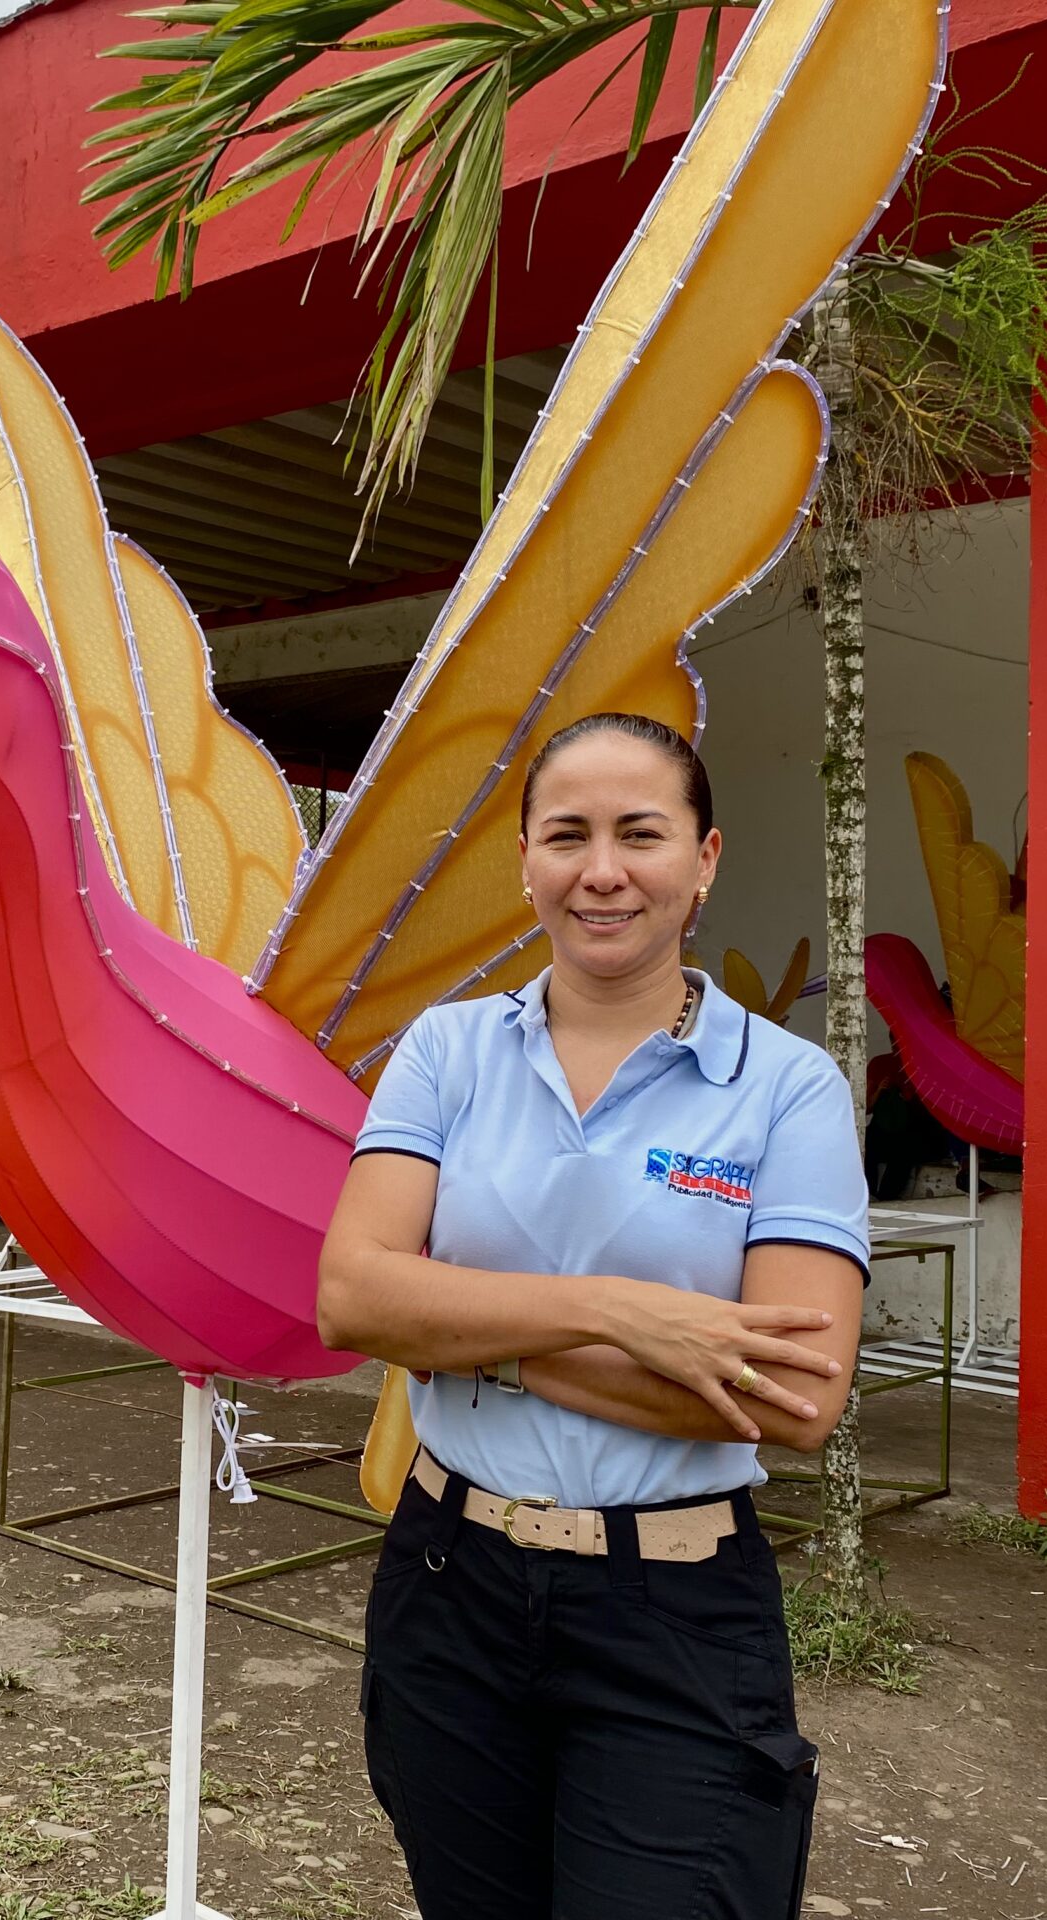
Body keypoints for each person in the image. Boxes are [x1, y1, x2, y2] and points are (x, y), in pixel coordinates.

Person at [317, 711, 866, 1920]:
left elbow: (793, 1399)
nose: (601, 869)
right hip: (446, 1578)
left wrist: (464, 1333)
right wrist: (619, 1314)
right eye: (566, 835)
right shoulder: (446, 1053)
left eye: (640, 833)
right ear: (525, 861)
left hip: (672, 1607)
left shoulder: (786, 1088)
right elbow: (353, 1292)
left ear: (704, 859)